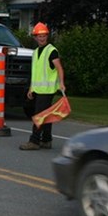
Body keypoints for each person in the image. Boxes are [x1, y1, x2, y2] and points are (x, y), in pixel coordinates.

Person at [19, 22, 66, 150]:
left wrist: (61, 83)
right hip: (38, 89)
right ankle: (46, 140)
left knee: (39, 115)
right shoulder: (35, 52)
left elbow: (59, 68)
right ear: (35, 37)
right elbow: (36, 73)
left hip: (48, 90)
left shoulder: (52, 51)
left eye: (44, 35)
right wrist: (31, 88)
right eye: (39, 36)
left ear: (47, 36)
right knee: (46, 115)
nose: (42, 38)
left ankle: (34, 141)